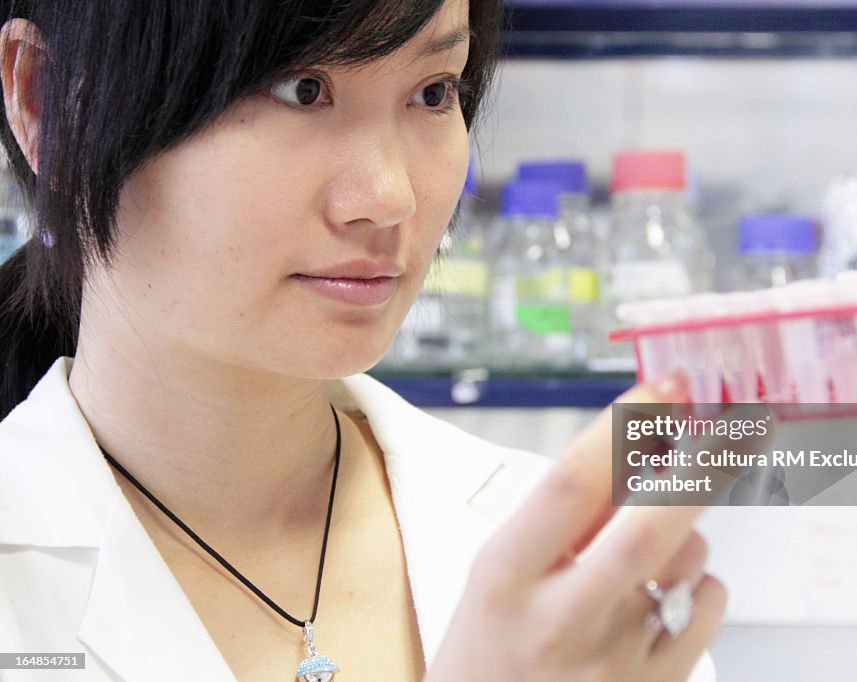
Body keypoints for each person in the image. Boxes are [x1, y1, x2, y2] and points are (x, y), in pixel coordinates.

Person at [0, 1, 723, 680]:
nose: (390, 196)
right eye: (301, 89)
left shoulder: (568, 566)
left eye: (434, 92)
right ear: (44, 99)